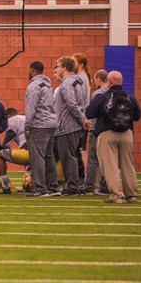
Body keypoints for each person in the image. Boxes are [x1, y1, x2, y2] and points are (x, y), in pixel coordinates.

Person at [85, 71, 141, 204]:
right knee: (127, 165)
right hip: (127, 134)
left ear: (109, 82)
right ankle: (132, 195)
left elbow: (89, 112)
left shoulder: (103, 97)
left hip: (107, 134)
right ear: (121, 82)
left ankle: (117, 195)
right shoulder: (130, 97)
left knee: (110, 166)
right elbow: (138, 115)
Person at [52, 56, 88, 196]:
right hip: (74, 125)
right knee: (72, 156)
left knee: (68, 157)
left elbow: (71, 104)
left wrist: (82, 120)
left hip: (67, 125)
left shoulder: (67, 83)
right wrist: (82, 120)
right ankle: (74, 184)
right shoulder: (78, 81)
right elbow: (82, 104)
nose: (57, 69)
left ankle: (72, 186)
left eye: (59, 66)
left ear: (65, 68)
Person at [24, 60, 58, 197]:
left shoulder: (34, 86)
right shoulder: (48, 85)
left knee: (37, 157)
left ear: (32, 70)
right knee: (49, 156)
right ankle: (53, 187)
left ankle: (40, 188)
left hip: (39, 124)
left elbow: (31, 107)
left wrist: (27, 125)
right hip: (51, 123)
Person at [83, 69, 110, 195]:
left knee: (93, 159)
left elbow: (93, 114)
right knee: (107, 159)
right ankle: (105, 186)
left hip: (97, 130)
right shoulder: (112, 93)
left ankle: (90, 186)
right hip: (109, 130)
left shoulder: (97, 94)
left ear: (99, 79)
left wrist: (90, 129)